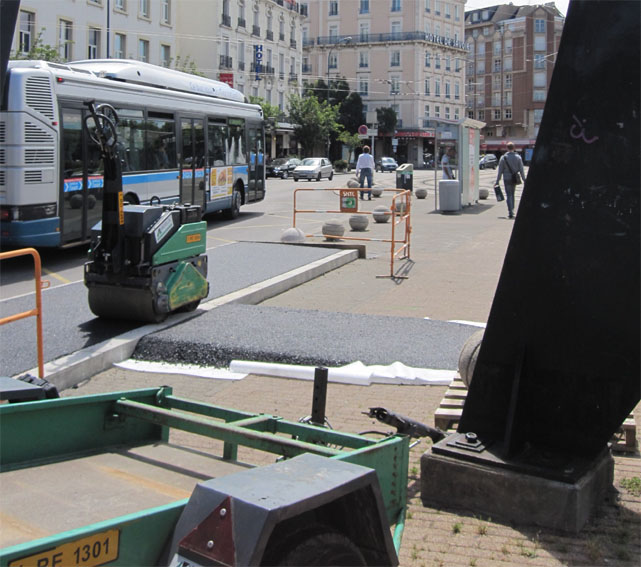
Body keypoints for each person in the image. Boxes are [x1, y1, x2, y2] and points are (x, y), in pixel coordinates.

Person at [495, 142, 526, 219]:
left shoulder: (503, 158)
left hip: (506, 178)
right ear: (514, 148)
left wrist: (497, 181)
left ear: (507, 148)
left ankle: (510, 211)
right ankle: (512, 209)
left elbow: (500, 170)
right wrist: (524, 179)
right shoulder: (518, 157)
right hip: (514, 178)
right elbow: (521, 170)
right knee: (513, 194)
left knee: (508, 195)